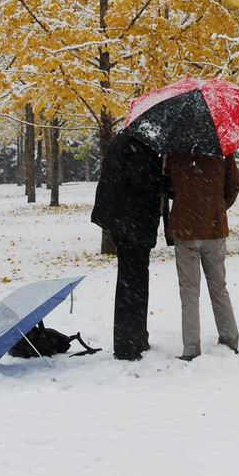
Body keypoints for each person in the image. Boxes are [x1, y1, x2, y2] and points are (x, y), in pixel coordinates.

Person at [91, 130, 167, 361]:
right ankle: (129, 344)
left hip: (125, 223)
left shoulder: (127, 140)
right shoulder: (139, 144)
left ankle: (134, 338)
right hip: (132, 224)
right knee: (133, 284)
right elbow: (141, 179)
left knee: (131, 282)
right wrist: (166, 181)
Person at [166, 149, 239, 361]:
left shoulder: (175, 150)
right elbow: (233, 185)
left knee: (189, 291)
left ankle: (191, 348)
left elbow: (168, 186)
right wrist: (216, 206)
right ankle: (229, 339)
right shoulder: (222, 149)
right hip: (214, 227)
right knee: (219, 287)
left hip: (185, 228)